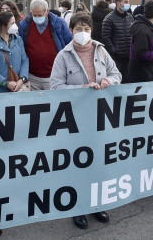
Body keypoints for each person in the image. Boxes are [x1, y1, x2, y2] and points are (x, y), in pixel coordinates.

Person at [47, 12, 119, 229]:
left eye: (86, 29)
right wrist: (82, 89)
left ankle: (96, 204)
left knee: (97, 163)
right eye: (78, 29)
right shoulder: (63, 56)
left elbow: (117, 74)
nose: (83, 33)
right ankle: (77, 208)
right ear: (71, 31)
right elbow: (55, 87)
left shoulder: (101, 50)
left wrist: (109, 80)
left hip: (99, 116)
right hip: (75, 119)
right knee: (78, 164)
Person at [18, 0, 73, 91]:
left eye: (39, 15)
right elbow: (21, 49)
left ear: (46, 12)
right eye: (34, 15)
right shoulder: (25, 24)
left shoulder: (59, 24)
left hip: (53, 76)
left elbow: (70, 44)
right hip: (32, 76)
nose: (36, 18)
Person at [0, 12, 29, 93]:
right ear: (3, 27)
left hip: (17, 88)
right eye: (12, 23)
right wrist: (5, 83)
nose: (15, 25)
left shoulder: (18, 39)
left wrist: (22, 79)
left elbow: (24, 60)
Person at [128, 1, 153, 83]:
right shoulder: (142, 29)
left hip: (149, 71)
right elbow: (141, 53)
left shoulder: (151, 27)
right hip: (142, 74)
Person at [101, 0, 134, 82]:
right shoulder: (109, 18)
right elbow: (105, 37)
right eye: (126, 2)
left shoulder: (130, 17)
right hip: (117, 58)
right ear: (119, 3)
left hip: (129, 56)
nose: (128, 4)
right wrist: (114, 51)